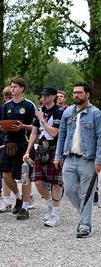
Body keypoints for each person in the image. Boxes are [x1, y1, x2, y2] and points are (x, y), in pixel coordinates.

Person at [54, 82, 101, 238]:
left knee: (87, 194)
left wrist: (99, 160)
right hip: (70, 158)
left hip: (88, 159)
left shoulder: (96, 114)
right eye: (74, 92)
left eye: (80, 92)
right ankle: (84, 215)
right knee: (68, 190)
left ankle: (85, 226)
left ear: (87, 94)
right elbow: (61, 135)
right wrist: (58, 156)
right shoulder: (67, 112)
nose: (76, 95)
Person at [0, 77, 36, 220]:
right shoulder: (5, 106)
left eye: (15, 86)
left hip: (24, 144)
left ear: (22, 88)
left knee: (25, 175)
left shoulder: (29, 105)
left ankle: (26, 207)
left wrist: (22, 126)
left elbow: (36, 127)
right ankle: (19, 197)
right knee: (5, 174)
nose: (12, 88)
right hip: (9, 143)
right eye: (11, 86)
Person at [23, 87, 64, 227]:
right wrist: (28, 151)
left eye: (47, 95)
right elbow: (34, 133)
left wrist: (42, 120)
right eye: (42, 95)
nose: (44, 98)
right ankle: (50, 205)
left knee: (54, 182)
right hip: (41, 148)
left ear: (53, 96)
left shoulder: (59, 112)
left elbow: (54, 133)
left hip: (55, 147)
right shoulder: (39, 111)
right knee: (38, 181)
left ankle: (55, 213)